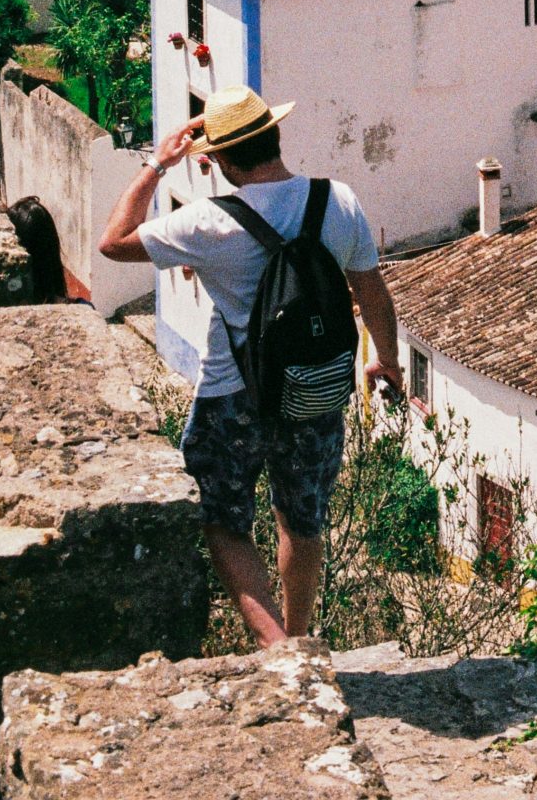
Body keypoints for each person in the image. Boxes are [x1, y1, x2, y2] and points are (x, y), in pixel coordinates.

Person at [99, 86, 403, 646]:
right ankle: (299, 639)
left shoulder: (205, 223)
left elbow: (113, 242)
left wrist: (157, 165)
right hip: (313, 388)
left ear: (218, 159)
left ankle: (274, 644)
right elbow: (373, 295)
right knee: (301, 521)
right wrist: (387, 360)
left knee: (221, 519)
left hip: (232, 392)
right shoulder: (338, 200)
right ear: (275, 135)